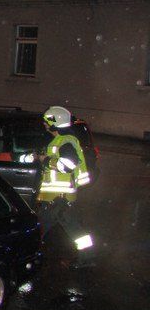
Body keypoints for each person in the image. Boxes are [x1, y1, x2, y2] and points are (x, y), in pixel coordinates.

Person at [36, 105, 93, 260]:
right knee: (74, 229)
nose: (44, 124)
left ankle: (27, 257)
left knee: (39, 229)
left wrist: (46, 161)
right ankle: (87, 258)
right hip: (59, 198)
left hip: (58, 198)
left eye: (47, 121)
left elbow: (68, 165)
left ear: (55, 123)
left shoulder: (65, 141)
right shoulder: (61, 140)